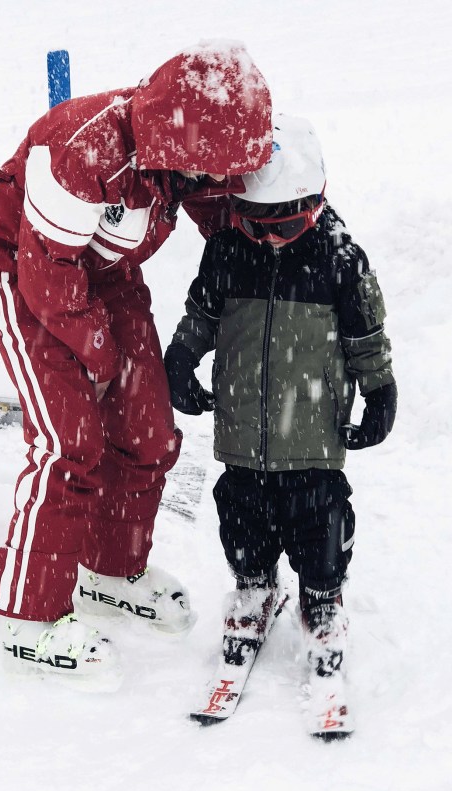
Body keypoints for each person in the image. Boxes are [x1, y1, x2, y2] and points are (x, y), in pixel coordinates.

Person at [0, 41, 272, 688]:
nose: (217, 179)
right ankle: (28, 614)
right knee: (69, 444)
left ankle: (111, 572)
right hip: (23, 268)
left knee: (148, 434)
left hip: (106, 272)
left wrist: (270, 254)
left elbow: (224, 215)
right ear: (179, 141)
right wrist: (99, 358)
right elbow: (48, 278)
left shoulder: (188, 159)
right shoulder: (85, 150)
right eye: (212, 167)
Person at [164, 114, 397, 736]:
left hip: (313, 438)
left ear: (314, 203)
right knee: (241, 519)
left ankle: (321, 602)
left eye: (285, 226)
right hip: (242, 433)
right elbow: (201, 314)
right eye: (255, 224)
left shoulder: (341, 258)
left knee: (319, 527)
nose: (269, 239)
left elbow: (367, 338)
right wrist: (182, 356)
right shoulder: (227, 249)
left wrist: (379, 391)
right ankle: (253, 590)